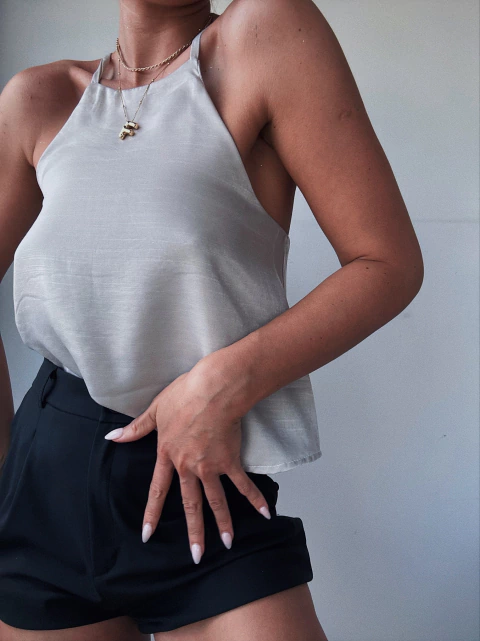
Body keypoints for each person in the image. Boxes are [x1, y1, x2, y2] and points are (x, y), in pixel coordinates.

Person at [0, 0, 424, 638]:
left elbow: (387, 262)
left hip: (204, 471)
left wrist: (220, 385)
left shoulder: (264, 36)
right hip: (46, 479)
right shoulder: (37, 99)